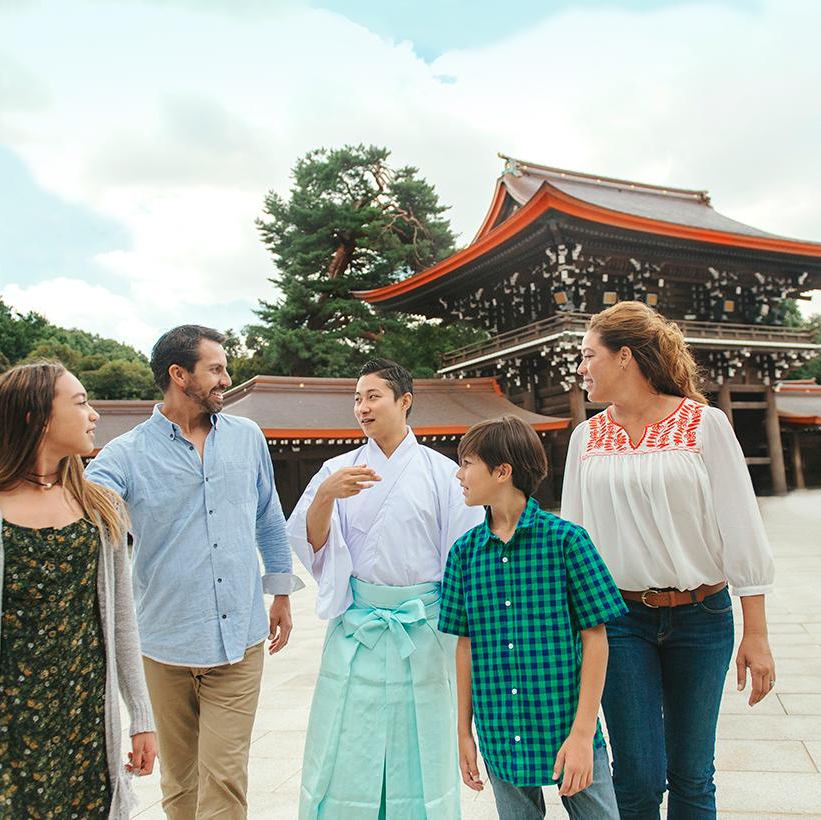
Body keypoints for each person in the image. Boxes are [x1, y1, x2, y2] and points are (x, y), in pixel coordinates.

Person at [561, 300, 776, 819]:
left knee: (692, 775)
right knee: (636, 778)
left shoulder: (706, 425)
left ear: (625, 357)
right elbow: (573, 543)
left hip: (703, 618)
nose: (581, 368)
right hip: (619, 621)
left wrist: (757, 633)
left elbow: (741, 525)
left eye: (589, 356)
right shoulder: (585, 439)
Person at [0, 362, 156, 820]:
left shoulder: (100, 506)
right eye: (81, 402)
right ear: (36, 417)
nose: (94, 415)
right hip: (4, 739)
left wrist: (141, 716)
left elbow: (122, 622)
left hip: (85, 730)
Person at [86, 324, 302, 820]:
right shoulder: (125, 453)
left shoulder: (247, 437)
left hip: (240, 640)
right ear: (179, 375)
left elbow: (267, 514)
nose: (227, 378)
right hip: (164, 645)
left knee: (224, 778)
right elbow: (86, 505)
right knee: (180, 784)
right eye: (217, 369)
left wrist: (281, 592)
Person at [287, 358, 482, 819]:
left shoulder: (441, 473)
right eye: (357, 399)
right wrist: (325, 496)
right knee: (347, 739)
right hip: (360, 624)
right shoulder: (338, 469)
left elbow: (463, 556)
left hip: (425, 628)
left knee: (421, 744)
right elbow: (312, 542)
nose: (362, 407)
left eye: (373, 396)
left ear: (404, 401)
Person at [438, 416, 626, 819]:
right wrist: (463, 733)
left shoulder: (567, 541)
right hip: (500, 732)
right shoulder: (463, 555)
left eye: (467, 463)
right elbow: (465, 646)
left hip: (566, 726)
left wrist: (582, 735)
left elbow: (597, 638)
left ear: (502, 471)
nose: (459, 474)